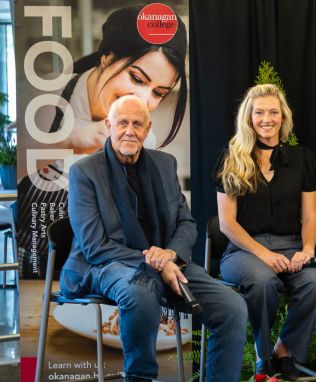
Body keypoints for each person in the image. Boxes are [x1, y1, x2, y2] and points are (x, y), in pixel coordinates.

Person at [59, 95, 247, 382]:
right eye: (122, 123)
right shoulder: (85, 172)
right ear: (108, 126)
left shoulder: (164, 164)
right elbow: (94, 245)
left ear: (147, 129)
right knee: (139, 290)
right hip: (108, 262)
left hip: (167, 261)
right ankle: (139, 375)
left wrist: (170, 255)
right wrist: (157, 262)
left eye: (137, 123)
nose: (129, 131)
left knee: (232, 307)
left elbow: (186, 223)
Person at [18, 3, 188, 278]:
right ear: (106, 58)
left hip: (109, 268)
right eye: (136, 78)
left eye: (158, 92)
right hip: (35, 272)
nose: (142, 101)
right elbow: (9, 168)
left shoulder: (144, 140)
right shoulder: (38, 96)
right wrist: (69, 141)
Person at [215, 84, 316, 380]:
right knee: (263, 280)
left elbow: (310, 214)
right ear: (249, 118)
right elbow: (227, 223)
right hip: (243, 251)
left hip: (291, 245)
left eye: (273, 112)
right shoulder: (232, 158)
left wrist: (307, 249)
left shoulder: (302, 158)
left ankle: (284, 350)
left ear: (283, 118)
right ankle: (262, 356)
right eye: (259, 113)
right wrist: (264, 254)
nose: (266, 119)